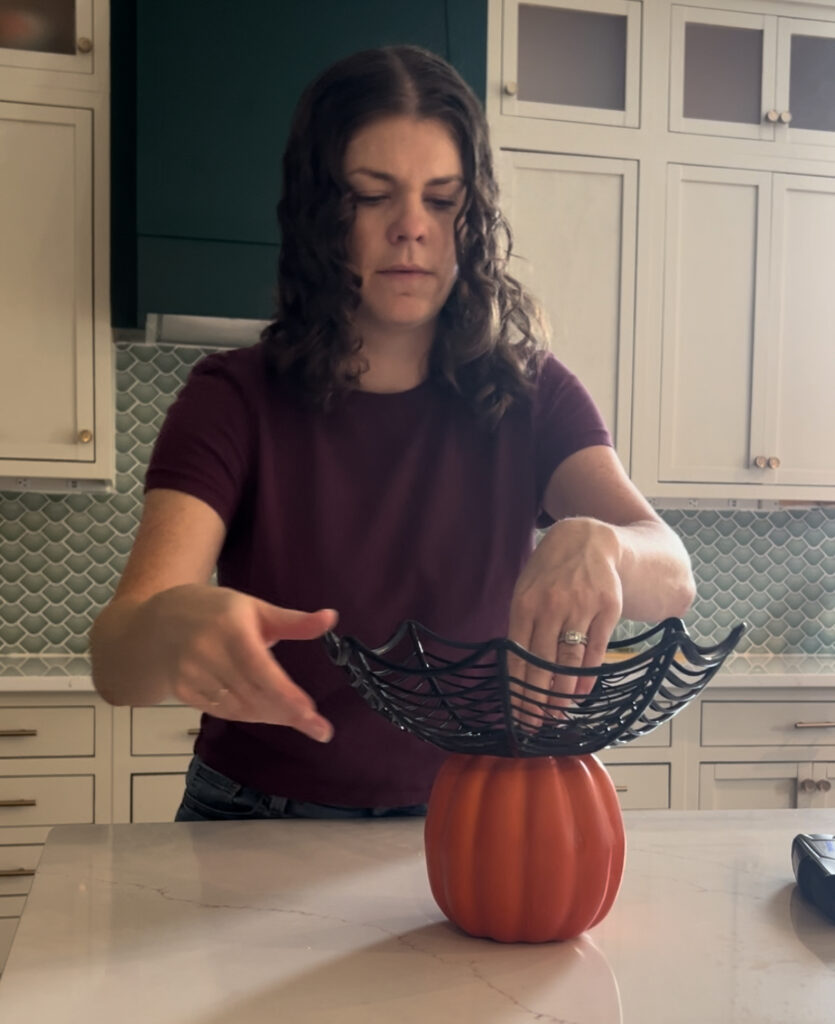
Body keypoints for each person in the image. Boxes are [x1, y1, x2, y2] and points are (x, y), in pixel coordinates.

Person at [89, 45, 695, 821]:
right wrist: (170, 630)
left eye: (442, 201)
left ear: (472, 219)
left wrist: (603, 543)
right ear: (319, 214)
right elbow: (116, 662)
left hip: (472, 812)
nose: (411, 228)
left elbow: (672, 574)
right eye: (372, 196)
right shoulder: (231, 399)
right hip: (252, 815)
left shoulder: (532, 395)